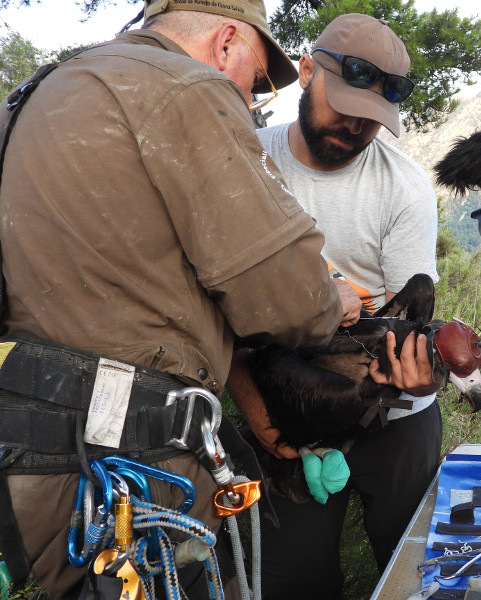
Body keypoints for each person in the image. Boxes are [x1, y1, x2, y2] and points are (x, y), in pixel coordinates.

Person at [0, 0, 346, 597]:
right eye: (260, 77)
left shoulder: (36, 95)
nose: (253, 96)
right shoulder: (188, 87)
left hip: (29, 469)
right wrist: (337, 301)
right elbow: (290, 298)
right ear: (227, 42)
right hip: (142, 479)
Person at [245, 13, 441, 599]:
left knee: (414, 571)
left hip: (393, 414)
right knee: (291, 579)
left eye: (373, 119)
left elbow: (411, 321)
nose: (355, 125)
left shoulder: (404, 187)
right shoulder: (245, 164)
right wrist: (263, 419)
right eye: (344, 103)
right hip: (282, 396)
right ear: (307, 73)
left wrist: (420, 375)